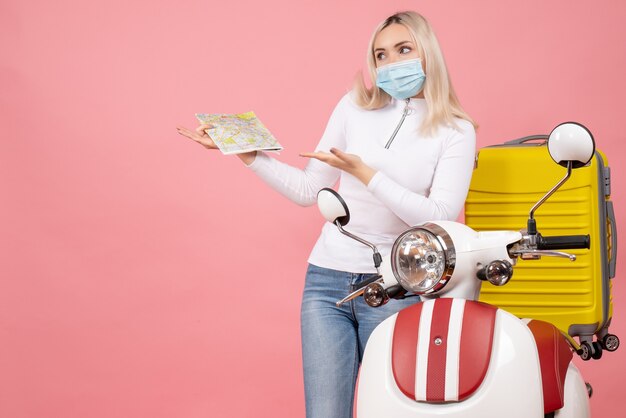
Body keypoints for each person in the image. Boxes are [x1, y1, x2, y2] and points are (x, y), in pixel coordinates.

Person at [176, 11, 476, 418]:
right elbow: (307, 190)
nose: (391, 63)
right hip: (325, 282)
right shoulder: (354, 107)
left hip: (396, 286)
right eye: (381, 55)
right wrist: (247, 154)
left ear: (428, 54)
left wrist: (366, 175)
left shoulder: (455, 130)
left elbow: (439, 216)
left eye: (404, 50)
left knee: (390, 410)